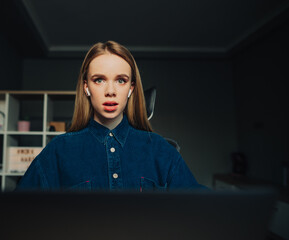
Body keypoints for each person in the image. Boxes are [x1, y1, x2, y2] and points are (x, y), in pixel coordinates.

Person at [17, 40, 205, 191]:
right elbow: (20, 213)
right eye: (99, 80)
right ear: (86, 86)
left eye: (121, 81)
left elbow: (198, 210)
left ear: (131, 88)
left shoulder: (161, 150)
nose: (110, 91)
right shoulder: (58, 151)